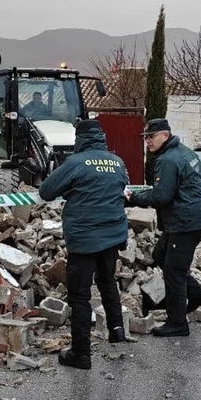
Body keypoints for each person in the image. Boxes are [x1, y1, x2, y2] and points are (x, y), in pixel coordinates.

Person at [38, 118, 130, 369]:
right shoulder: (117, 162)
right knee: (107, 281)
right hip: (112, 235)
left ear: (79, 139)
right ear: (101, 138)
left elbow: (46, 191)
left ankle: (81, 353)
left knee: (79, 296)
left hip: (84, 239)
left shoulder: (75, 163)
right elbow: (121, 189)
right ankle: (117, 330)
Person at [126, 119, 201, 337]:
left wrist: (133, 198)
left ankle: (177, 323)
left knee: (174, 270)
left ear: (165, 135)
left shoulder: (167, 160)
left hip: (185, 223)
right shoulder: (186, 153)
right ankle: (198, 294)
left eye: (151, 137)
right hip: (192, 219)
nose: (147, 142)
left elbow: (162, 195)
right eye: (145, 137)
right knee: (160, 255)